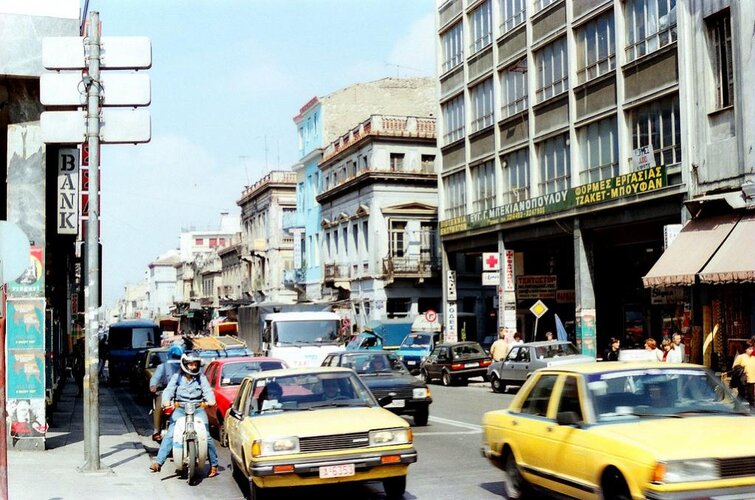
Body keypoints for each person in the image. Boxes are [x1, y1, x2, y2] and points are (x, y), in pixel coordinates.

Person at [150, 352, 219, 478]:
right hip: (180, 409)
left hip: (198, 409)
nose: (193, 367)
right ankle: (158, 463)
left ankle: (214, 465)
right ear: (185, 364)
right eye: (191, 364)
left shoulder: (201, 377)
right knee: (171, 433)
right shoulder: (177, 377)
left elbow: (207, 390)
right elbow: (168, 391)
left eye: (195, 364)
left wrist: (210, 400)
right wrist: (166, 401)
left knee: (207, 435)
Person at [149, 344, 183, 441]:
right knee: (159, 403)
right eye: (175, 356)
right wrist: (153, 385)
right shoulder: (162, 366)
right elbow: (155, 377)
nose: (176, 358)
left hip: (181, 393)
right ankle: (156, 430)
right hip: (164, 391)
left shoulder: (185, 366)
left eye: (178, 356)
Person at [733, 341, 755, 408]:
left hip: (752, 380)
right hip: (743, 380)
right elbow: (735, 367)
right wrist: (742, 369)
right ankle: (736, 408)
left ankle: (752, 410)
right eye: (750, 348)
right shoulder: (741, 357)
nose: (752, 350)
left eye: (752, 348)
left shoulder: (753, 357)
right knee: (741, 395)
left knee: (751, 396)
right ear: (746, 349)